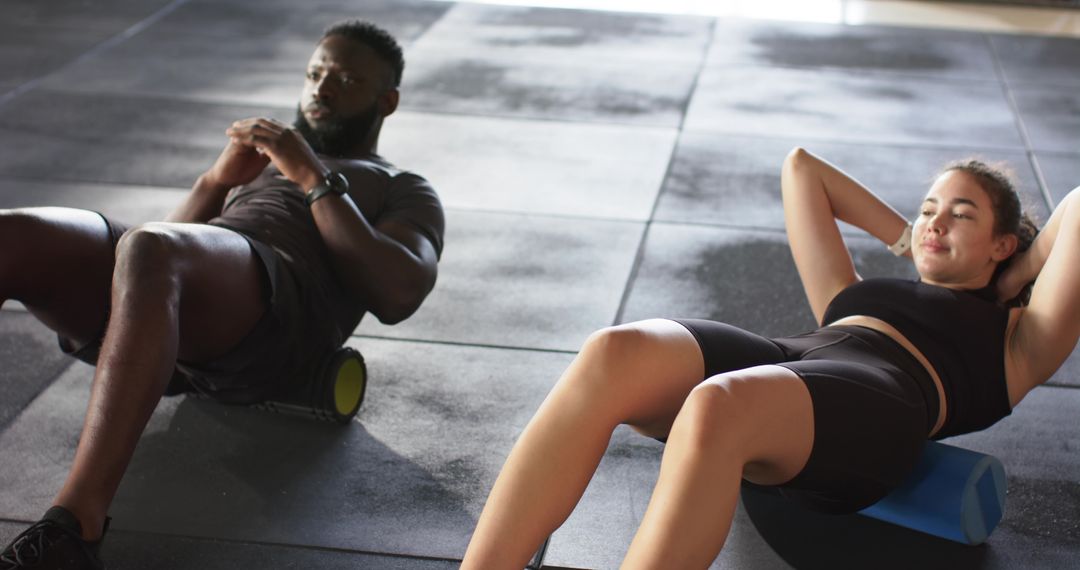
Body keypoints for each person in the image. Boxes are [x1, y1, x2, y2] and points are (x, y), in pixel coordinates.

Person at [461, 147, 1077, 568]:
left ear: (1003, 241)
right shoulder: (850, 293)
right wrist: (910, 238)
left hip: (883, 403)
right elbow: (802, 168)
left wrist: (1012, 272)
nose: (935, 221)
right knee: (611, 351)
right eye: (928, 209)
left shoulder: (1017, 341)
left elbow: (1077, 206)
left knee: (716, 404)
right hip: (795, 365)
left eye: (961, 214)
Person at [0, 20, 444, 570]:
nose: (321, 90)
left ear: (387, 100)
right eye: (314, 74)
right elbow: (146, 258)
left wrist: (312, 176)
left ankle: (75, 528)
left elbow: (399, 292)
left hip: (281, 312)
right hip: (190, 289)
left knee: (153, 247)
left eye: (346, 79)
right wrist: (214, 182)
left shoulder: (403, 186)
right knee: (11, 235)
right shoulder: (257, 169)